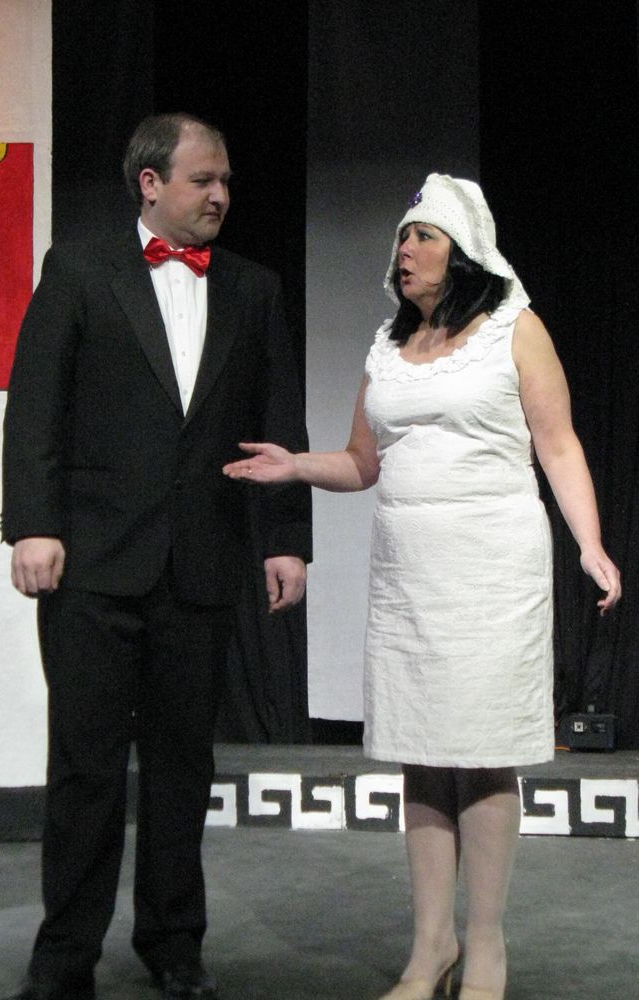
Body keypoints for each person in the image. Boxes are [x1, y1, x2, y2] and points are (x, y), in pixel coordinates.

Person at [223, 173, 621, 1000]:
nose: (403, 250)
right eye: (401, 238)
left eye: (421, 236)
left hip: (491, 566)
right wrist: (295, 466)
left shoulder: (514, 329)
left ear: (462, 251)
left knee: (482, 754)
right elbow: (361, 463)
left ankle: (485, 945)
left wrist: (588, 542)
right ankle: (430, 946)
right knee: (423, 756)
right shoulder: (387, 347)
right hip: (408, 573)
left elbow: (557, 445)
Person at [1, 111, 311, 1000]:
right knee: (86, 766)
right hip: (93, 563)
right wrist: (32, 523)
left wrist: (285, 540)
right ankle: (65, 954)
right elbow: (36, 405)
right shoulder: (79, 270)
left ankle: (174, 943)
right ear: (150, 183)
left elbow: (277, 421)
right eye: (202, 180)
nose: (220, 195)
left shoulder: (252, 288)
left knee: (183, 767)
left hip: (201, 561)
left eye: (225, 182)